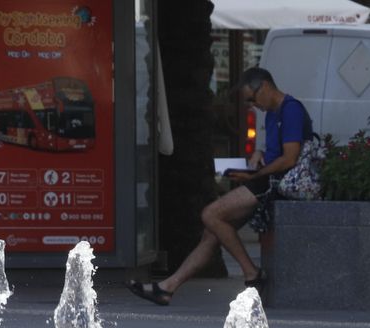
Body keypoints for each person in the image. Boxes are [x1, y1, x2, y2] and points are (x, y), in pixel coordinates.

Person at [126, 67, 311, 305]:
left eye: (252, 99)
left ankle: (252, 273)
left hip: (272, 184)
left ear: (264, 86)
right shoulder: (274, 112)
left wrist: (255, 175)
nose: (253, 106)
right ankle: (166, 288)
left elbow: (290, 158)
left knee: (210, 214)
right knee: (211, 234)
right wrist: (259, 154)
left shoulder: (291, 110)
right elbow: (277, 153)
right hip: (264, 179)